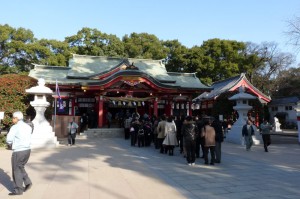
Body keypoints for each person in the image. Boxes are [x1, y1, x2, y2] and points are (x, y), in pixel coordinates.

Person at [6, 111, 33, 195]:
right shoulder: (28, 126)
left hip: (18, 151)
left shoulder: (15, 127)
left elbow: (8, 139)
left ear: (16, 118)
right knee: (21, 167)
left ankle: (18, 189)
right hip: (27, 150)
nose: (12, 119)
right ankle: (27, 182)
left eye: (13, 118)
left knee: (16, 170)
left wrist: (11, 143)